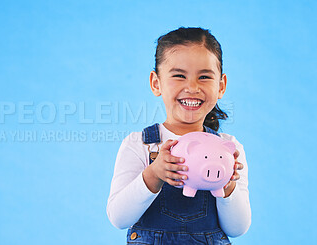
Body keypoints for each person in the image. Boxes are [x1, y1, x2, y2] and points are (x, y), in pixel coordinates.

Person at [106, 27, 251, 244]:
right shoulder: (140, 144)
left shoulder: (229, 148)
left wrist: (227, 186)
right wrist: (153, 175)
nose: (192, 87)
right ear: (157, 83)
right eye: (179, 76)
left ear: (221, 86)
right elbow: (118, 218)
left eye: (204, 77)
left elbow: (238, 228)